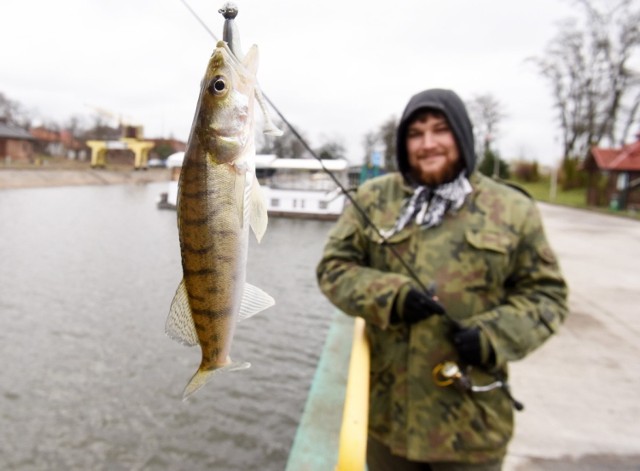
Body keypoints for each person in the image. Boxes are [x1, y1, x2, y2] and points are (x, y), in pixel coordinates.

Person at [316, 88, 568, 471]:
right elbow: (333, 269)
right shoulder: (372, 199)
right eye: (415, 134)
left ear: (462, 136)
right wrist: (392, 296)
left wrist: (494, 336)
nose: (427, 143)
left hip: (472, 430)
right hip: (388, 426)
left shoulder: (513, 208)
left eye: (440, 130)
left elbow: (547, 297)